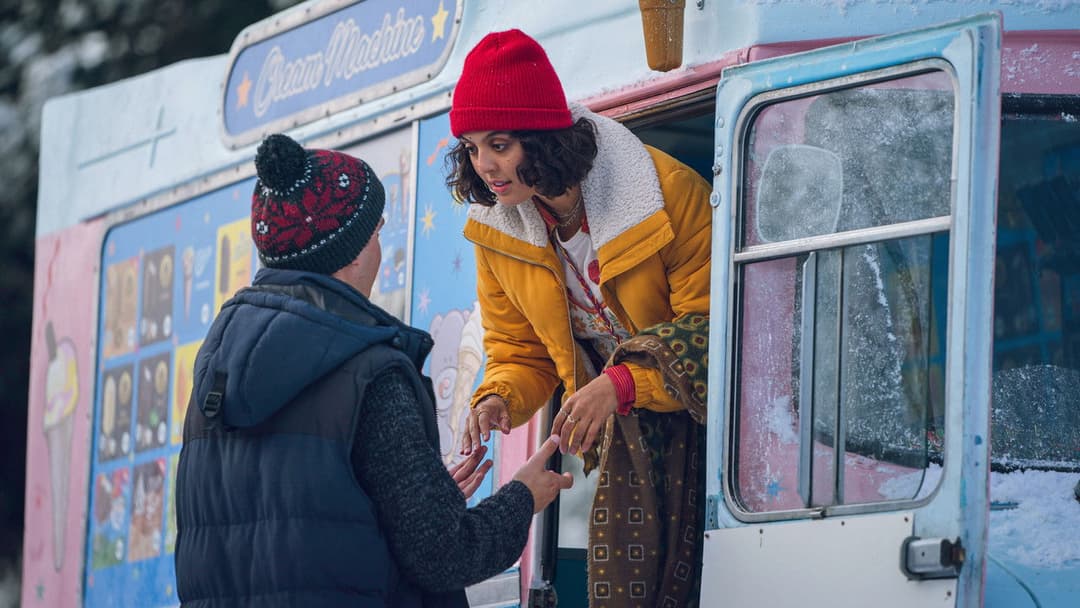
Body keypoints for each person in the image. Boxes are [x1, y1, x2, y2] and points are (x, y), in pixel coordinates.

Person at [174, 133, 573, 608]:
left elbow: (291, 536)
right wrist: (522, 497)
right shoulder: (368, 373)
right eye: (378, 231)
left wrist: (428, 494)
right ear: (352, 251)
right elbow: (445, 554)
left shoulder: (215, 375)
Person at [446, 29, 712, 608]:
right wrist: (497, 400)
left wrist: (619, 383)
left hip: (709, 439)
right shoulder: (494, 231)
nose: (484, 166)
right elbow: (521, 354)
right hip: (625, 447)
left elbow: (719, 333)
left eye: (499, 144)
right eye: (470, 147)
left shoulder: (670, 194)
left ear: (543, 140)